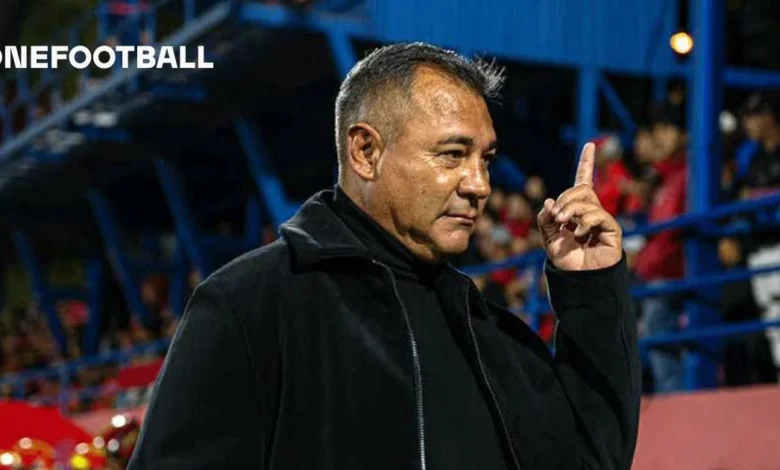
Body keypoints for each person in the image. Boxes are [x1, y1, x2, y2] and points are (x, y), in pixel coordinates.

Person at [128, 43, 641, 470]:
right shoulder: (250, 305)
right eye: (452, 155)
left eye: (485, 159)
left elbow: (592, 460)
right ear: (365, 152)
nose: (479, 185)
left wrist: (592, 293)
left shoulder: (494, 336)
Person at [633, 104, 688, 393]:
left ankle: (673, 399)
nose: (660, 138)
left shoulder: (689, 174)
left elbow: (673, 232)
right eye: (658, 132)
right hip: (650, 274)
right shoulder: (663, 178)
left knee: (658, 338)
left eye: (667, 130)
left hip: (668, 274)